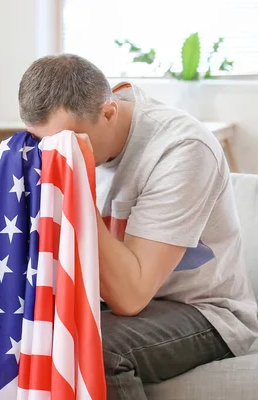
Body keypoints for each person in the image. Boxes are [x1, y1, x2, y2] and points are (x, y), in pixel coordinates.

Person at [18, 54, 258, 399]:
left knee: (97, 348)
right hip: (100, 295)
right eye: (45, 143)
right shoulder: (63, 134)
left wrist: (75, 190)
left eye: (69, 144)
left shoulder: (181, 149)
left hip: (202, 310)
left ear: (109, 113)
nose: (55, 154)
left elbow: (130, 297)